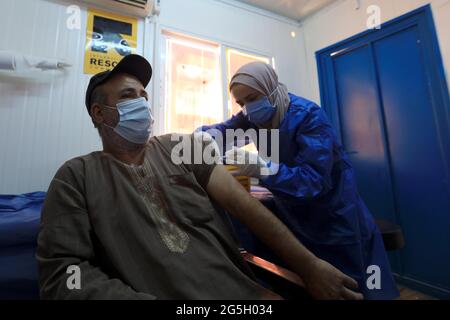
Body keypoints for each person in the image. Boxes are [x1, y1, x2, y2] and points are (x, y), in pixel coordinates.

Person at [36, 54, 363, 300]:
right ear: (99, 113)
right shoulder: (75, 177)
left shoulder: (181, 147)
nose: (141, 104)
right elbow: (63, 275)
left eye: (144, 97)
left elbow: (247, 210)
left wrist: (308, 265)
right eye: (127, 96)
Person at [200, 61, 399, 300]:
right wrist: (200, 139)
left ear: (271, 89)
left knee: (346, 285)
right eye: (241, 103)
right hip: (293, 211)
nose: (248, 108)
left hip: (332, 214)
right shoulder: (253, 116)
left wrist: (261, 168)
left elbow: (312, 181)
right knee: (306, 281)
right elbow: (223, 131)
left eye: (252, 98)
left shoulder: (308, 116)